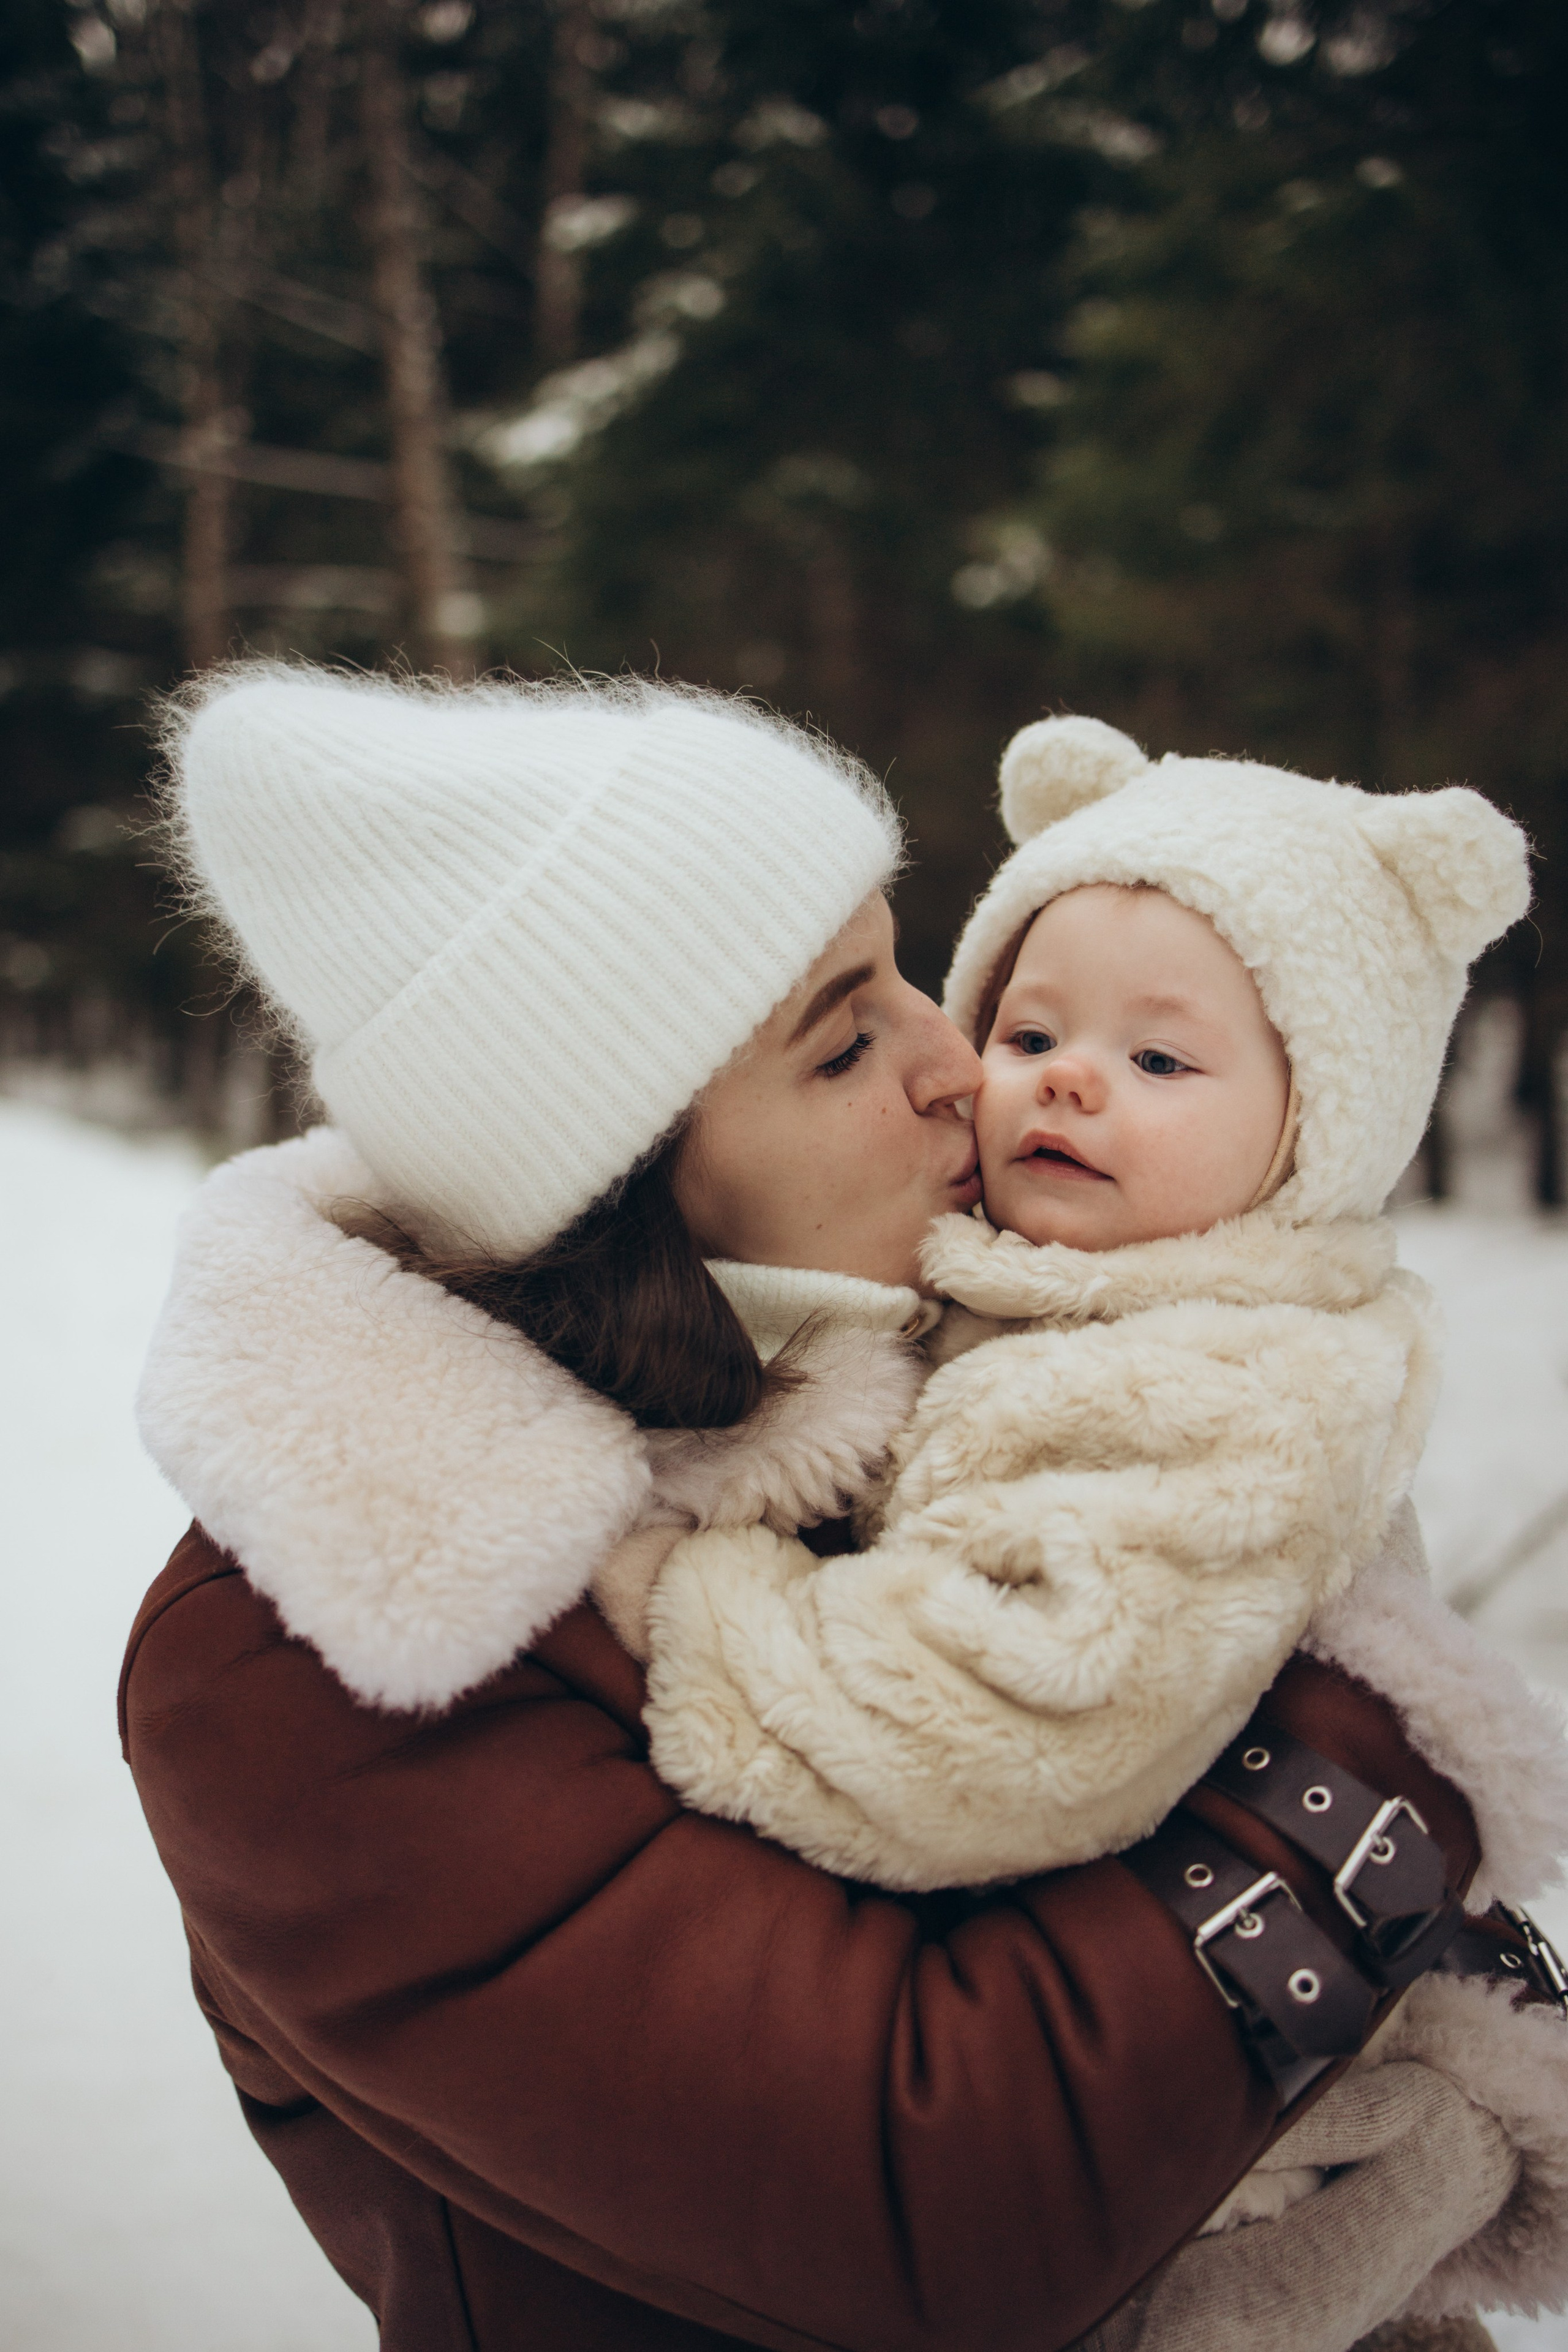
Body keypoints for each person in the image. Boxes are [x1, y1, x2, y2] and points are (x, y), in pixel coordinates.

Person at [126, 666, 1505, 2352]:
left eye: (914, 966)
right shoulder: (305, 1666)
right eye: (848, 1036)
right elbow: (950, 2206)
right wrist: (1376, 1744)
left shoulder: (971, 1363)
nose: (963, 1062)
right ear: (622, 1186)